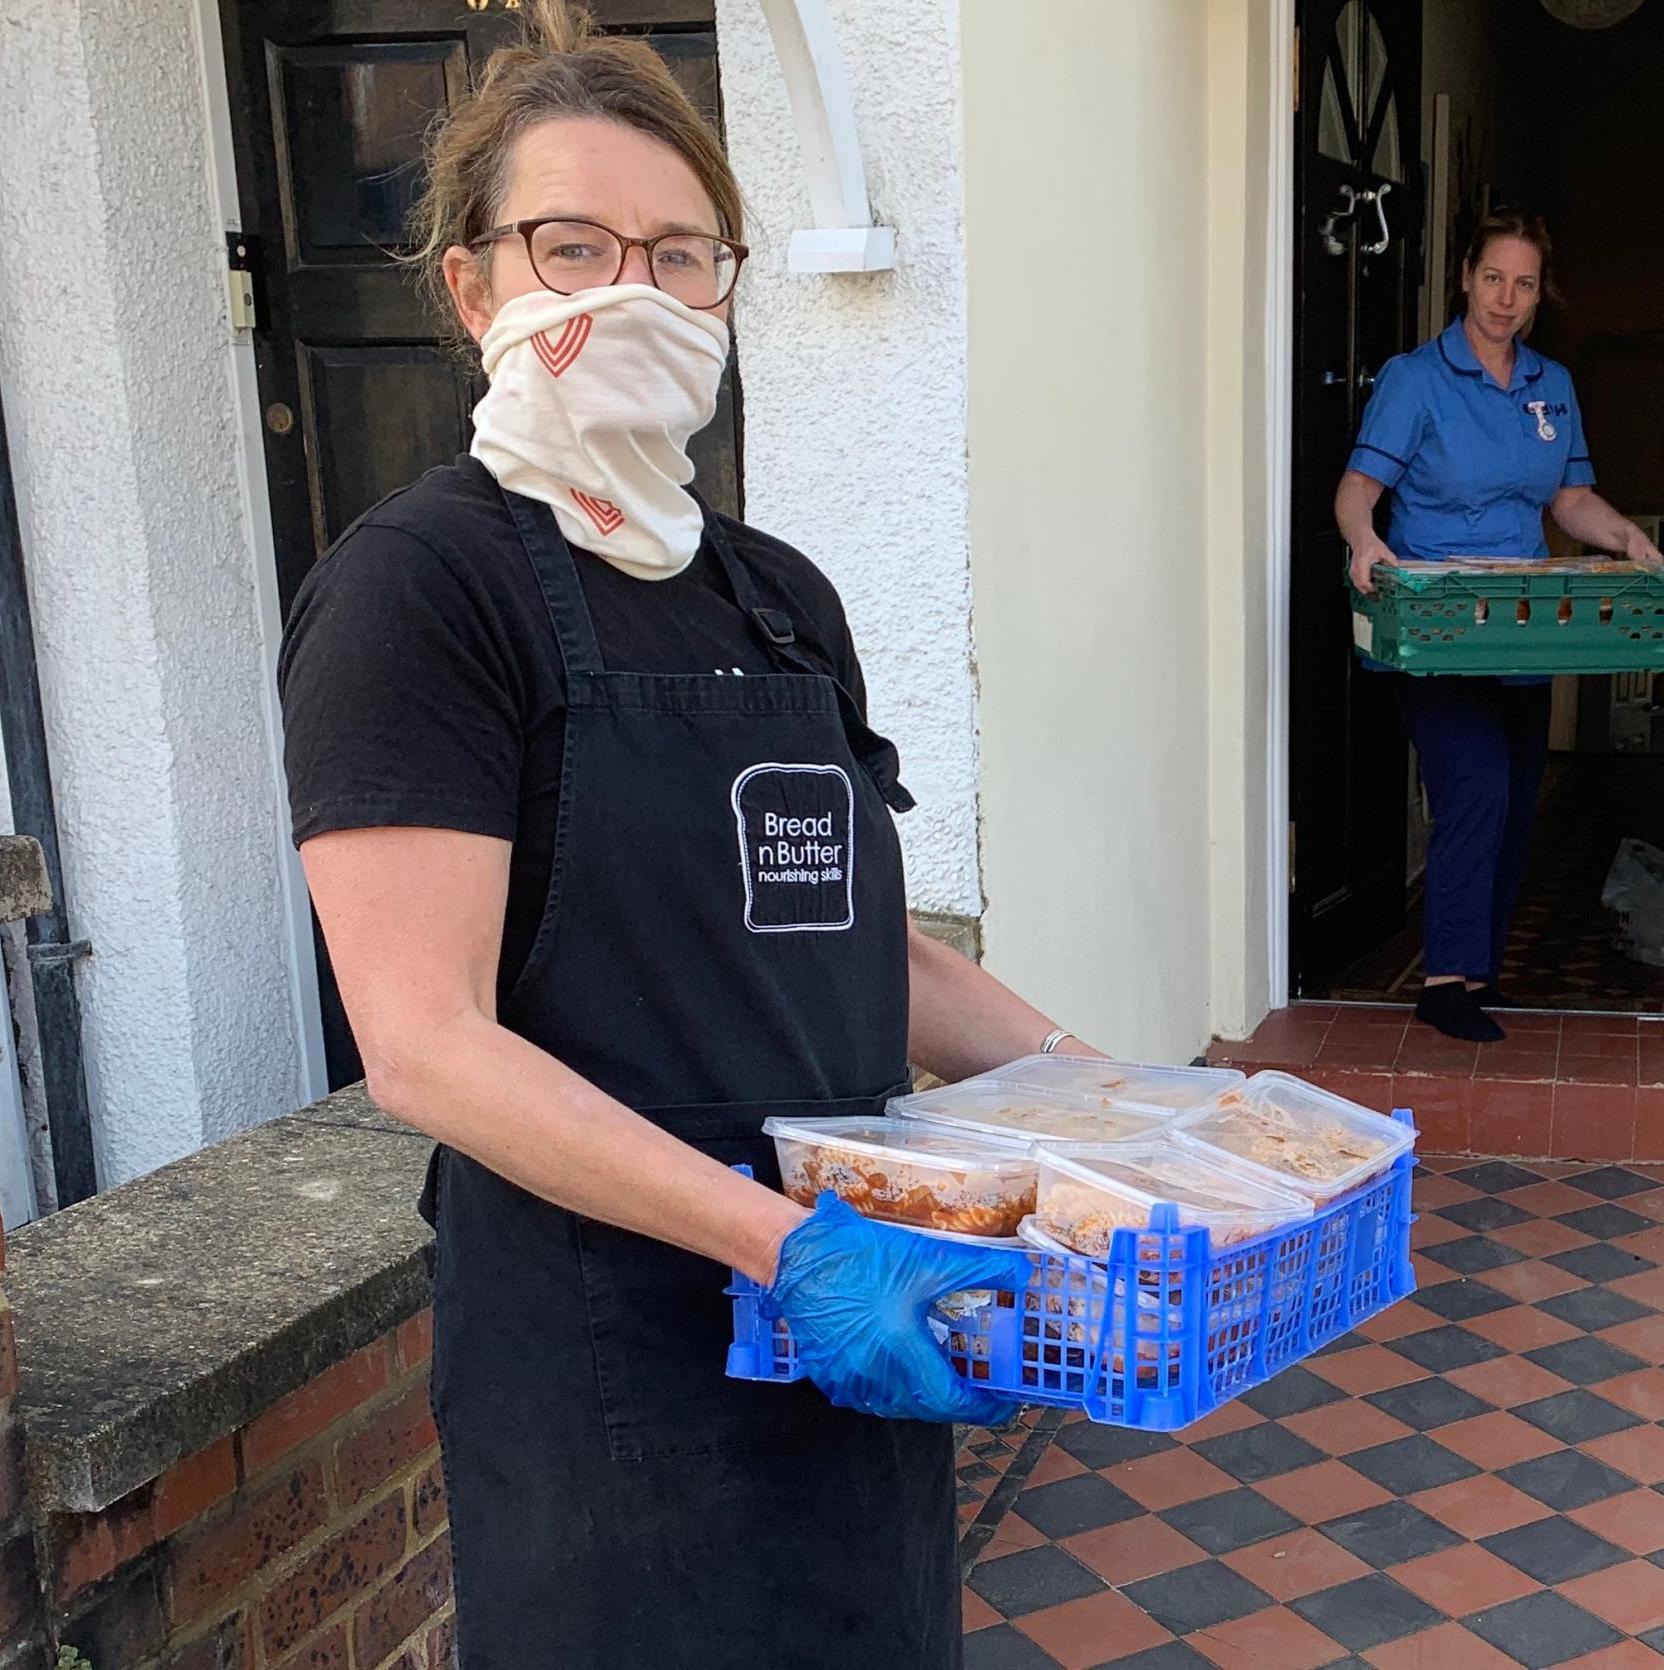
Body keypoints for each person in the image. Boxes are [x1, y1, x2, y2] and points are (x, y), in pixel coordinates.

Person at [277, 7, 1096, 1664]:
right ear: (473, 285)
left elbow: (860, 939)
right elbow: (425, 1046)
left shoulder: (780, 598)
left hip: (851, 1332)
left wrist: (1117, 1103)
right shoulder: (423, 592)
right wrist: (784, 1247)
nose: (631, 291)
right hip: (616, 1364)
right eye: (570, 246)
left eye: (681, 252)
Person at [1335, 213, 1663, 1044]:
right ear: (1465, 277)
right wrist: (1365, 541)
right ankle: (1444, 979)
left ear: (1535, 293)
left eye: (1523, 284)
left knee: (1517, 801)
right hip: (1440, 628)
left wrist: (1624, 534)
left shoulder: (1550, 382)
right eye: (1492, 279)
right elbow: (1358, 489)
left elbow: (1568, 499)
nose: (1505, 299)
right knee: (1474, 786)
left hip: (1521, 626)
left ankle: (1479, 970)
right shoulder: (1417, 379)